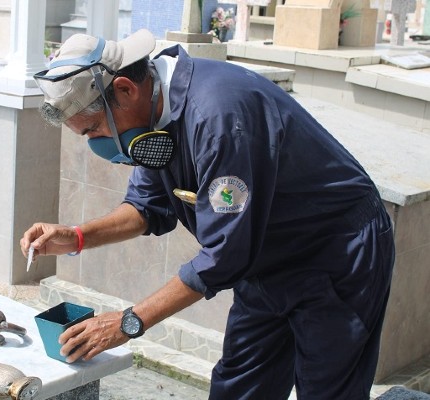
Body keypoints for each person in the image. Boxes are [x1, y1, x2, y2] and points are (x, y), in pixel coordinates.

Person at [21, 29, 395, 400]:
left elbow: (225, 254)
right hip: (265, 260)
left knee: (328, 390)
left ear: (125, 89)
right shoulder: (152, 117)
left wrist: (130, 321)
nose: (97, 143)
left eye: (94, 129)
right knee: (240, 388)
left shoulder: (218, 119)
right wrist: (78, 236)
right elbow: (145, 208)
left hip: (334, 254)